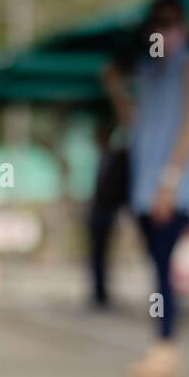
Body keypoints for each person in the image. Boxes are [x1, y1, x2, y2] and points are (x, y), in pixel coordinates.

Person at [105, 0, 189, 377]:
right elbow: (133, 124)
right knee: (156, 268)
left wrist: (169, 182)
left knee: (164, 269)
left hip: (170, 187)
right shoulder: (147, 73)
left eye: (170, 24)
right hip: (142, 186)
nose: (164, 33)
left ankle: (165, 349)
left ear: (183, 26)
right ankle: (161, 347)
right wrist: (115, 86)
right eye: (158, 24)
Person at [87, 110, 130, 309]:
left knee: (102, 256)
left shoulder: (117, 158)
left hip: (106, 213)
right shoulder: (104, 158)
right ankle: (98, 293)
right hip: (98, 214)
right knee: (96, 256)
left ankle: (101, 294)